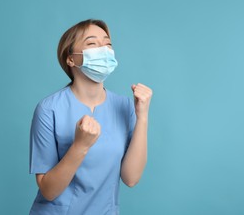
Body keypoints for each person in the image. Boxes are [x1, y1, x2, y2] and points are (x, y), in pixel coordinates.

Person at [29, 19, 153, 214]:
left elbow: (131, 178)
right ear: (71, 59)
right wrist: (80, 146)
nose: (104, 50)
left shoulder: (124, 106)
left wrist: (142, 116)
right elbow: (48, 190)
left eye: (108, 44)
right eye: (92, 43)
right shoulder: (49, 109)